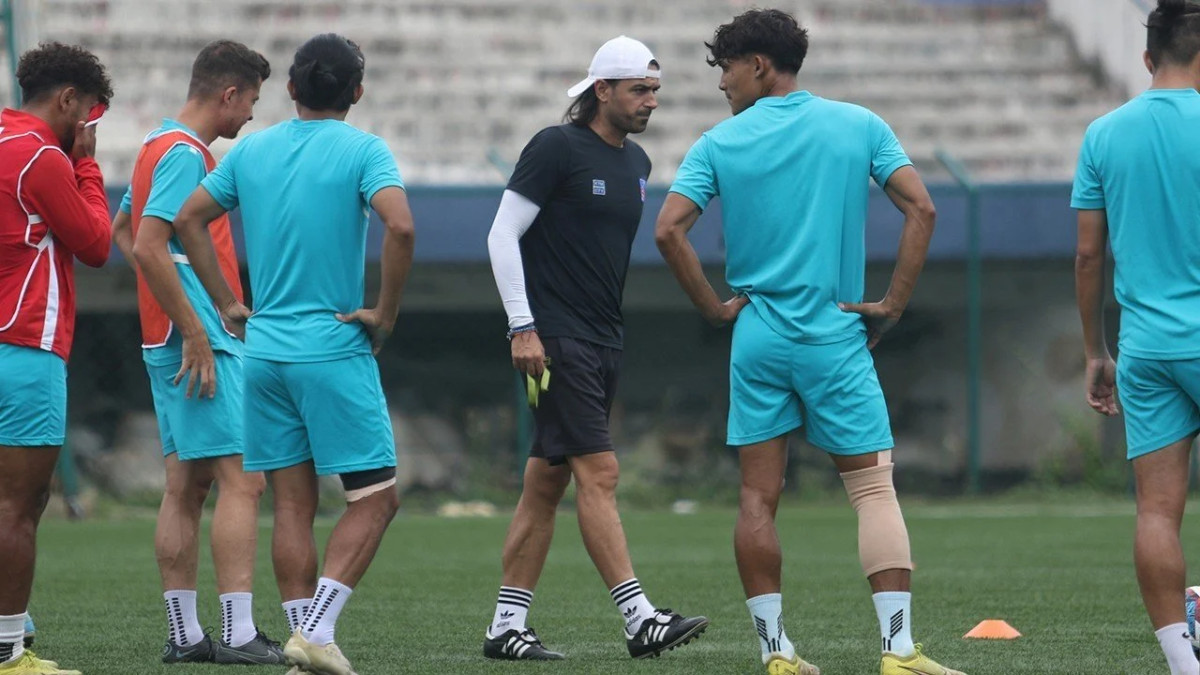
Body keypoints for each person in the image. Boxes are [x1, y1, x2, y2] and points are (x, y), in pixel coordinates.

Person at [656, 9, 963, 675]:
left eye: (726, 69)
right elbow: (923, 207)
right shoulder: (859, 125)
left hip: (758, 336)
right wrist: (892, 304)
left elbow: (668, 229)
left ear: (759, 65)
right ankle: (898, 651)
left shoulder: (718, 143)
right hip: (834, 333)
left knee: (757, 497)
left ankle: (776, 653)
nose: (722, 84)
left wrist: (714, 308)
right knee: (873, 490)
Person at [171, 33, 415, 675]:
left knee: (292, 507)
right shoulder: (364, 149)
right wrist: (384, 313)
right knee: (377, 498)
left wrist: (227, 302)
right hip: (331, 348)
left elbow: (187, 219)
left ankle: (304, 650)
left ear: (290, 88)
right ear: (356, 91)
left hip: (264, 353)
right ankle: (317, 631)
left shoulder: (252, 150)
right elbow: (401, 225)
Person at [483, 35, 708, 662]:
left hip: (604, 337)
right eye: (640, 89)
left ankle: (505, 627)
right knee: (599, 473)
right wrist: (522, 326)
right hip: (557, 338)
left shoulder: (638, 164)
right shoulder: (555, 147)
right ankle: (640, 619)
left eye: (655, 90)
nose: (651, 101)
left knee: (544, 484)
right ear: (601, 90)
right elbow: (501, 235)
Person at [109, 39, 282, 665]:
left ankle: (186, 637)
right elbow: (149, 243)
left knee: (185, 486)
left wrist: (165, 301)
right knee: (245, 481)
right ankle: (237, 634)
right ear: (228, 94)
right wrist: (194, 327)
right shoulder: (186, 153)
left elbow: (124, 231)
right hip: (197, 341)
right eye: (251, 101)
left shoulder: (156, 143)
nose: (251, 115)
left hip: (169, 335)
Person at [1073, 2, 1200, 673]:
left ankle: (1183, 663)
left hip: (1146, 347)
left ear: (1148, 58)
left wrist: (1097, 350)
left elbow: (1088, 255)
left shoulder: (1104, 134)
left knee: (1156, 510)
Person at [0, 41, 113, 675]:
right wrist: (87, 166)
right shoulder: (43, 156)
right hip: (25, 348)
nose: (87, 128)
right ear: (67, 99)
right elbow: (95, 243)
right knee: (19, 505)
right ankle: (7, 652)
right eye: (88, 114)